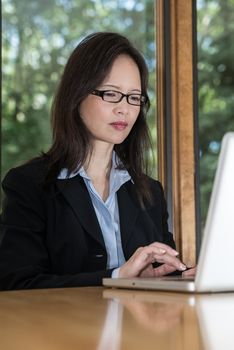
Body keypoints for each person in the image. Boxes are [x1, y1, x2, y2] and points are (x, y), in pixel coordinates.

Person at [0, 32, 193, 291]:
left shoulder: (151, 192)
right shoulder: (28, 185)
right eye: (111, 94)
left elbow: (162, 280)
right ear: (77, 95)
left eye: (134, 97)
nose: (124, 108)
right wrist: (116, 277)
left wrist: (184, 277)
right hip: (62, 331)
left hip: (139, 331)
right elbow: (16, 284)